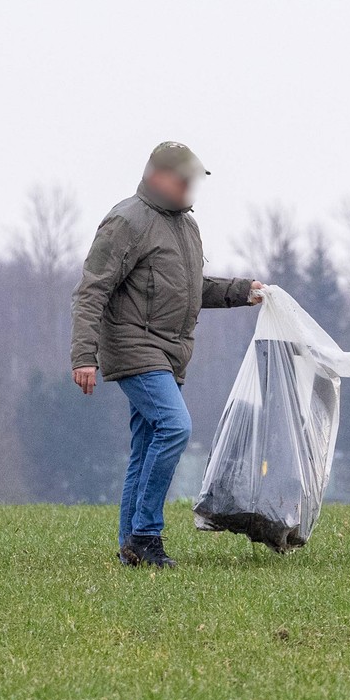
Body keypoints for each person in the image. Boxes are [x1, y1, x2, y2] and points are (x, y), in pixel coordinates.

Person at [70, 141, 264, 568]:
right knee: (175, 427)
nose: (191, 187)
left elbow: (192, 289)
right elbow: (91, 291)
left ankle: (130, 549)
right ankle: (146, 534)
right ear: (157, 176)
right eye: (183, 179)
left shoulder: (185, 226)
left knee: (145, 447)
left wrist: (240, 292)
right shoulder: (126, 221)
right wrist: (84, 355)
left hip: (169, 353)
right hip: (134, 348)